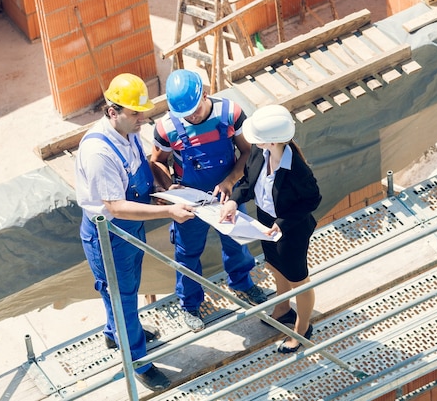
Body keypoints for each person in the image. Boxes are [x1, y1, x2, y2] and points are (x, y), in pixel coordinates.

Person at [75, 73, 195, 391]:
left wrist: (166, 188)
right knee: (123, 296)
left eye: (142, 112)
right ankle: (139, 362)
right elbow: (116, 207)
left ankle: (117, 334)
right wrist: (169, 211)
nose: (142, 119)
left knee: (124, 291)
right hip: (110, 234)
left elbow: (142, 169)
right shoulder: (99, 153)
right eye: (135, 113)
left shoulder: (127, 132)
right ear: (112, 111)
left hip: (129, 230)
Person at [150, 69, 268, 332]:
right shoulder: (166, 127)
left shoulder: (230, 113)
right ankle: (189, 305)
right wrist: (170, 190)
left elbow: (248, 151)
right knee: (187, 254)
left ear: (205, 93)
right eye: (185, 114)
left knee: (235, 242)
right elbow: (156, 161)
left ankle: (243, 284)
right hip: (189, 203)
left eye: (194, 110)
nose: (191, 117)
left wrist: (230, 181)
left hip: (226, 195)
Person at [219, 104, 322, 353]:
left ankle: (302, 327)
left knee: (299, 279)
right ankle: (283, 307)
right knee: (274, 264)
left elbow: (312, 200)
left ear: (272, 142)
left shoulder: (297, 169)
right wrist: (234, 200)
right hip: (265, 222)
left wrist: (281, 224)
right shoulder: (259, 151)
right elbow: (248, 181)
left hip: (291, 229)